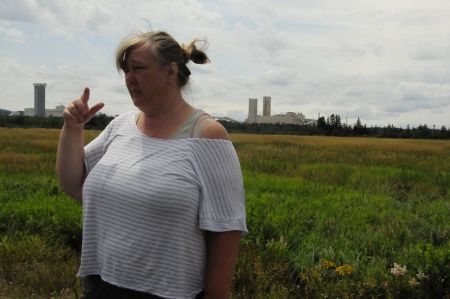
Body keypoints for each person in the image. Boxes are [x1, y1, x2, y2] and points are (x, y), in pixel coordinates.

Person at [56, 30, 247, 299]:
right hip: (101, 284)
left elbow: (226, 229)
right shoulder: (120, 126)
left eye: (138, 69)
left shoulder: (207, 135)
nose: (129, 79)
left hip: (168, 293)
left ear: (170, 72)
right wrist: (72, 129)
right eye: (125, 71)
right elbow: (73, 182)